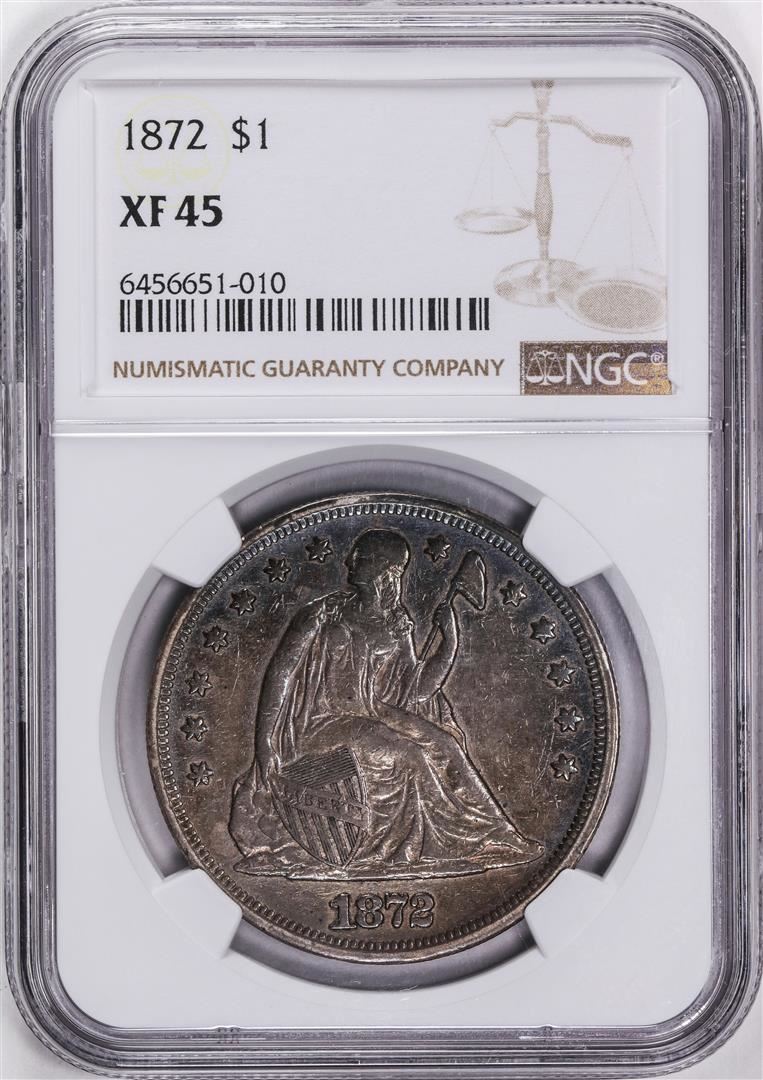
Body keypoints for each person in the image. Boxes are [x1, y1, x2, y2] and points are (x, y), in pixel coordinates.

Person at [229, 529, 543, 877]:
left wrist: (449, 643)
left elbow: (418, 690)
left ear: (385, 570)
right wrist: (265, 743)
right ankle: (411, 850)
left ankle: (495, 837)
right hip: (320, 722)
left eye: (360, 557)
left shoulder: (397, 623)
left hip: (372, 712)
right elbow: (281, 674)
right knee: (409, 755)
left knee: (446, 745)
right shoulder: (322, 614)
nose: (349, 562)